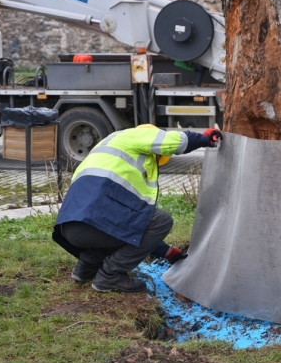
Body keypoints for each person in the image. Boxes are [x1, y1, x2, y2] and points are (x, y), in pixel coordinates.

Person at [52, 124, 221, 293]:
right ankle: (111, 275)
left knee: (123, 225)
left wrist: (166, 251)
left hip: (71, 227)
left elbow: (131, 226)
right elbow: (173, 141)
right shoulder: (134, 136)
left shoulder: (106, 146)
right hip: (95, 223)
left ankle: (87, 266)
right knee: (161, 221)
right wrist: (203, 138)